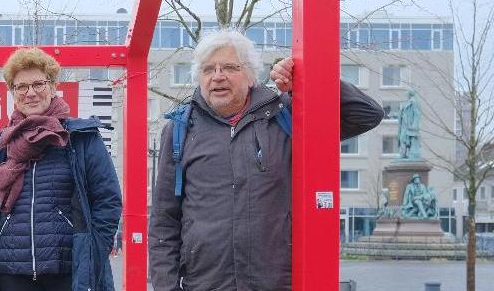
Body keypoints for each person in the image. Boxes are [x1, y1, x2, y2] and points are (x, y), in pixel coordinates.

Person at [149, 30, 383, 290]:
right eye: (208, 69)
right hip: (205, 284)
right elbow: (164, 221)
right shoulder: (181, 129)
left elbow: (367, 114)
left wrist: (306, 78)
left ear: (250, 76)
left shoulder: (284, 116)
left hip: (275, 283)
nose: (217, 76)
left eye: (229, 67)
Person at [0, 47, 123, 291]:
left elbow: (108, 201)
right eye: (21, 86)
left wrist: (92, 253)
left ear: (52, 86)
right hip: (11, 274)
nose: (31, 93)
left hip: (68, 274)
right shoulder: (1, 144)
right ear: (12, 92)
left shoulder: (81, 138)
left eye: (38, 84)